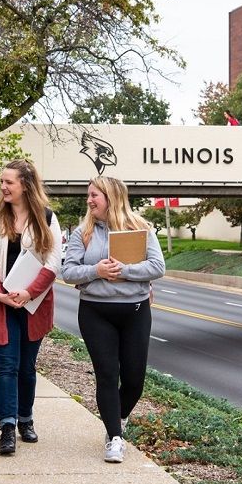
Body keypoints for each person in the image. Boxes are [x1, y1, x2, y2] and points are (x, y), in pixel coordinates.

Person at [62, 175, 166, 463]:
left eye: (94, 195)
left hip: (135, 312)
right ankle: (114, 437)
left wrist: (124, 270)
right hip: (96, 312)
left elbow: (158, 266)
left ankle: (117, 418)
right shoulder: (83, 232)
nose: (89, 200)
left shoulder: (141, 229)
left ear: (111, 197)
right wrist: (97, 270)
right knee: (107, 375)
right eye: (89, 195)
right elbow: (68, 272)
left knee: (134, 380)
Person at [0, 159, 63, 456]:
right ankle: (7, 427)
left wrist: (28, 292)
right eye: (2, 181)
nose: (3, 187)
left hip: (33, 303)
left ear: (25, 185)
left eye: (8, 182)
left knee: (27, 367)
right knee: (7, 366)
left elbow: (53, 263)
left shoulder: (47, 218)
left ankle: (26, 419)